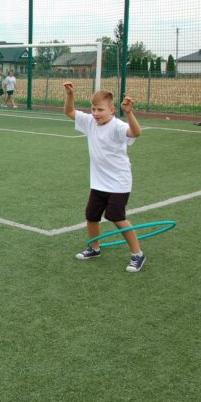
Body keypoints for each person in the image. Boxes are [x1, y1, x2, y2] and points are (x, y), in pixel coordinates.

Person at [63, 82, 145, 273]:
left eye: (100, 109)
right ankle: (94, 248)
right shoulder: (90, 122)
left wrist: (130, 113)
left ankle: (138, 254)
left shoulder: (118, 126)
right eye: (93, 109)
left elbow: (136, 133)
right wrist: (70, 94)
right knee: (91, 216)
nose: (96, 113)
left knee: (116, 216)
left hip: (118, 182)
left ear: (112, 110)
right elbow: (69, 112)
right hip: (99, 182)